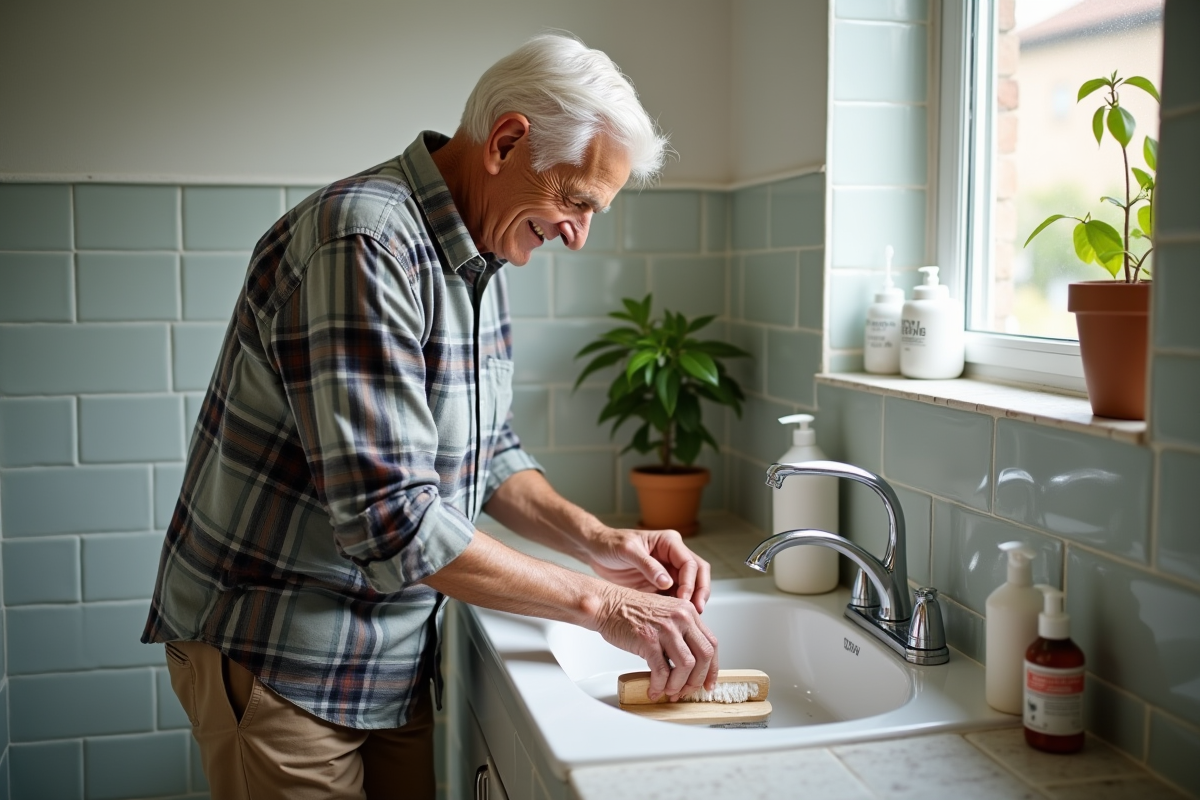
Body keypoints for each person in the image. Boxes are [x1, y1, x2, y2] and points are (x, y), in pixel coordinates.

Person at [143, 32, 719, 799]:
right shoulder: (364, 241)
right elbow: (392, 520)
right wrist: (604, 604)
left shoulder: (479, 250)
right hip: (282, 652)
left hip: (388, 657)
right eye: (576, 202)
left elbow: (490, 450)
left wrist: (599, 541)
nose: (578, 235)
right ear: (507, 141)